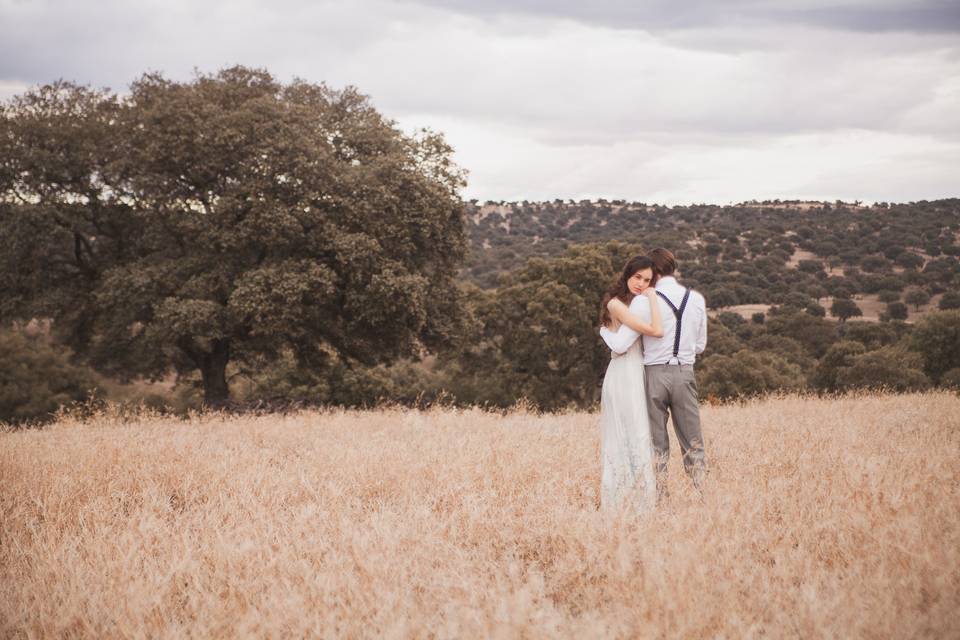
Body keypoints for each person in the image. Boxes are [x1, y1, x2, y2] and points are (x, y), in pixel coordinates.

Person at [601, 248, 707, 499]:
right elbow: (700, 345)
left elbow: (623, 342)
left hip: (652, 374)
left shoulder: (641, 301)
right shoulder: (696, 299)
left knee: (656, 443)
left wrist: (603, 330)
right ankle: (702, 495)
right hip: (684, 372)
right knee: (693, 441)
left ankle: (660, 498)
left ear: (655, 273)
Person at [596, 256, 663, 513]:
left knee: (638, 435)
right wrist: (653, 299)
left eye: (647, 280)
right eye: (638, 277)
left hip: (636, 371)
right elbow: (654, 332)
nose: (642, 284)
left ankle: (638, 502)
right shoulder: (617, 304)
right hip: (623, 373)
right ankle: (621, 504)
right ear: (627, 275)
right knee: (625, 436)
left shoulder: (634, 303)